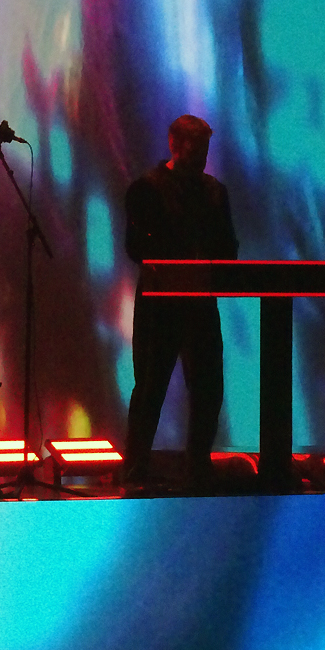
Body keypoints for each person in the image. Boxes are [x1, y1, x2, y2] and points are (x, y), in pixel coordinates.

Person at [123, 115, 239, 490]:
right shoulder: (147, 189)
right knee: (150, 386)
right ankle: (136, 468)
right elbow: (136, 247)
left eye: (205, 150)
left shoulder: (214, 191)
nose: (202, 158)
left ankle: (196, 466)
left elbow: (228, 247)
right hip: (160, 303)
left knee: (207, 388)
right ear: (174, 144)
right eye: (196, 150)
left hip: (199, 301)